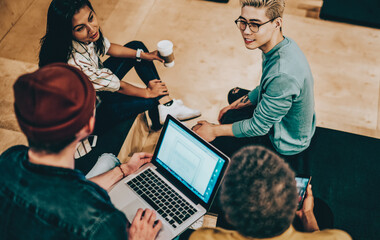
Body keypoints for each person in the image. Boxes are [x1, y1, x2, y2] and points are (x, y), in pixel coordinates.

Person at [0, 63, 161, 240]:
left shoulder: (10, 159)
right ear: (88, 126)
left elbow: (59, 195)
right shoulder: (103, 223)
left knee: (108, 161)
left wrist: (123, 170)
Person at [39, 0, 200, 131]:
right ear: (66, 32)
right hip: (89, 117)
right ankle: (162, 111)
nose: (91, 28)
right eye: (80, 28)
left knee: (136, 47)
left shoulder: (86, 35)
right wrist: (147, 93)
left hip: (96, 91)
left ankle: (166, 106)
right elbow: (118, 86)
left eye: (90, 18)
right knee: (152, 99)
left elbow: (108, 47)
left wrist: (145, 56)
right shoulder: (74, 64)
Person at [193, 0, 316, 163]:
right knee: (233, 97)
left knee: (212, 141)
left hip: (284, 142)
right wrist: (234, 105)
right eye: (243, 22)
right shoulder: (280, 45)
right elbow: (266, 86)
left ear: (277, 23)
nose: (246, 31)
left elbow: (258, 127)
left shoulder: (283, 74)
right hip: (283, 120)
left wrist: (214, 131)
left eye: (255, 24)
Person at [188, 145, 351, 240]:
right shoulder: (339, 238)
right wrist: (307, 213)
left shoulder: (203, 237)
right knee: (322, 210)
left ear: (230, 216)